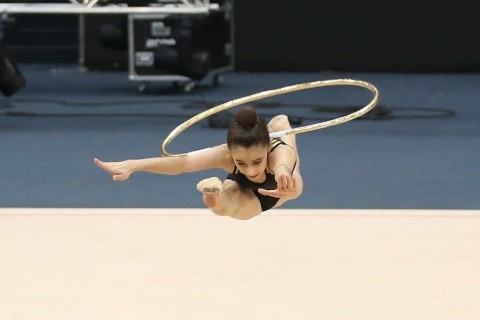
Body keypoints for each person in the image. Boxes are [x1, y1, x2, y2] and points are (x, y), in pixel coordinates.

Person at [94, 106, 303, 220]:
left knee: (288, 151)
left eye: (257, 161)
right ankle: (214, 195)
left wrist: (283, 171)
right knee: (231, 207)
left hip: (279, 187)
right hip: (242, 187)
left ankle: (279, 124)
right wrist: (133, 164)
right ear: (231, 152)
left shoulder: (280, 153)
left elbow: (285, 160)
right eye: (242, 162)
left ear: (266, 148)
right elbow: (182, 164)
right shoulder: (225, 154)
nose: (250, 169)